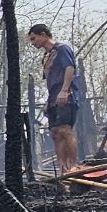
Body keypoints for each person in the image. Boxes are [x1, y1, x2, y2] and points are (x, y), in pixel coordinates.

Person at [27, 23, 81, 174]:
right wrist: (48, 101)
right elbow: (50, 80)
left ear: (43, 35)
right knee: (55, 133)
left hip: (66, 94)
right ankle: (63, 168)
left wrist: (64, 90)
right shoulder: (46, 57)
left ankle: (73, 165)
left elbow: (70, 68)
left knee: (65, 129)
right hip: (53, 97)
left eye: (34, 38)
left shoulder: (62, 49)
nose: (33, 43)